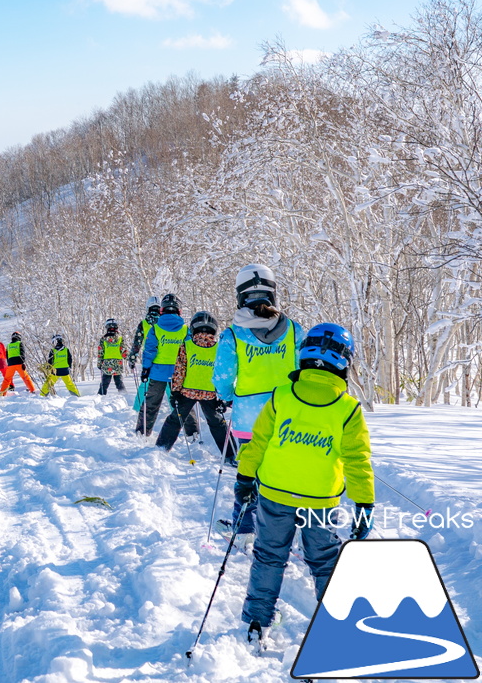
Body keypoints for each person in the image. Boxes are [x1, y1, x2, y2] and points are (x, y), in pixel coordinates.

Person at [233, 323, 374, 645]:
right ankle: (340, 620)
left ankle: (257, 619)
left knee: (270, 556)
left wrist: (244, 478)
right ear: (344, 362)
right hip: (320, 501)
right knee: (324, 559)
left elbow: (258, 443)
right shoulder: (347, 409)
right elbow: (357, 461)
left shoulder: (281, 396)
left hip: (274, 493)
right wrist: (364, 505)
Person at [214, 264, 304, 533]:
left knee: (248, 475)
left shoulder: (233, 334)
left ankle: (245, 531)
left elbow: (223, 375)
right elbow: (304, 368)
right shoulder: (293, 329)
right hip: (288, 414)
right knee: (285, 473)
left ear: (240, 296)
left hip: (248, 418)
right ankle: (288, 526)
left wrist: (228, 396)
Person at [155, 311, 235, 460]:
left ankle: (160, 449)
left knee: (175, 420)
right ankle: (231, 454)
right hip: (210, 394)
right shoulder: (219, 348)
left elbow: (179, 370)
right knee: (218, 424)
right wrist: (223, 396)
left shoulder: (186, 346)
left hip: (187, 392)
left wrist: (175, 392)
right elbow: (223, 372)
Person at [137, 293, 197, 437]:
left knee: (151, 403)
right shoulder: (185, 330)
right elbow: (191, 352)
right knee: (183, 403)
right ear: (179, 311)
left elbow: (149, 350)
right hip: (180, 374)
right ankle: (193, 432)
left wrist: (145, 369)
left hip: (158, 373)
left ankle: (142, 432)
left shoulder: (155, 329)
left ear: (162, 310)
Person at [95, 319, 128, 395]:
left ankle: (101, 396)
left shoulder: (103, 339)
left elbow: (100, 352)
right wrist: (129, 359)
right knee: (119, 382)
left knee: (105, 382)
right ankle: (124, 396)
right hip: (118, 363)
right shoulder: (120, 338)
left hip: (107, 363)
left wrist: (99, 364)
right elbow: (124, 351)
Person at [130, 296, 161, 371]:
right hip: (164, 359)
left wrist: (132, 358)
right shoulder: (164, 322)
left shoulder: (143, 324)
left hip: (148, 358)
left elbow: (137, 343)